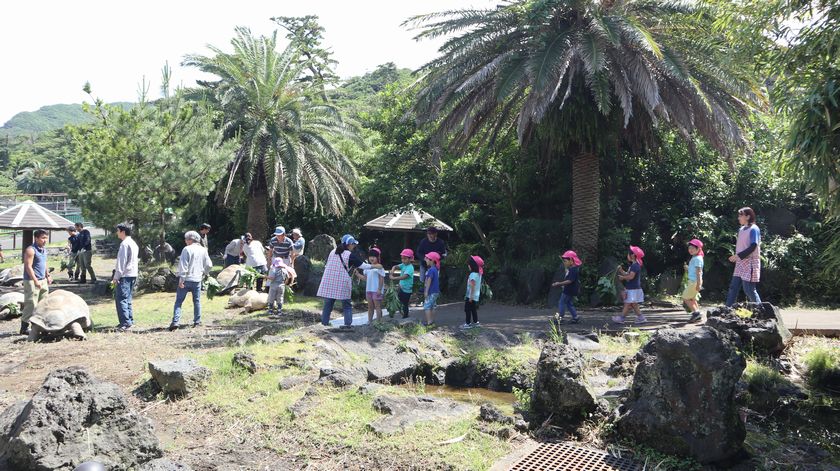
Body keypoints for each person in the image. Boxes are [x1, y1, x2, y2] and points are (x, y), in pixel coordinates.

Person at [317, 234, 380, 329]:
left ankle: (324, 324)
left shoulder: (333, 251)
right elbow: (362, 265)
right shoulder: (349, 255)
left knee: (328, 304)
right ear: (349, 244)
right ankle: (347, 325)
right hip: (341, 281)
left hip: (329, 280)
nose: (354, 246)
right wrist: (375, 266)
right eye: (353, 244)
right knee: (346, 305)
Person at [169, 231, 213, 331]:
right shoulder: (203, 250)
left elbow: (183, 266)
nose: (185, 241)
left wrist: (181, 279)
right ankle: (197, 321)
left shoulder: (186, 249)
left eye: (186, 239)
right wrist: (204, 273)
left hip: (186, 279)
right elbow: (209, 265)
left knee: (179, 302)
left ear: (190, 240)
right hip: (197, 279)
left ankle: (175, 322)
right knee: (197, 301)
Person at [725, 207, 762, 306]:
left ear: (748, 216)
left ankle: (761, 310)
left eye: (741, 215)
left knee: (749, 289)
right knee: (733, 287)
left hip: (750, 262)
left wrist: (738, 256)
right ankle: (727, 309)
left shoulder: (754, 229)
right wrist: (737, 257)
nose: (738, 218)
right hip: (740, 262)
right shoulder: (741, 229)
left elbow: (753, 246)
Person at [21, 229, 52, 335]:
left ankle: (40, 326)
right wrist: (35, 281)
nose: (45, 240)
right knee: (31, 304)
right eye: (43, 238)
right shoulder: (31, 250)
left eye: (46, 238)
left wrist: (47, 275)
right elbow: (28, 267)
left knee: (43, 304)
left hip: (43, 280)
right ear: (36, 238)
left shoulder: (43, 249)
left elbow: (44, 263)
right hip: (31, 281)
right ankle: (24, 327)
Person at [112, 223, 139, 332]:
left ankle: (125, 323)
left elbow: (121, 263)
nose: (117, 233)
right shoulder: (133, 243)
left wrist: (116, 276)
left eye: (118, 231)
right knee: (127, 298)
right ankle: (129, 320)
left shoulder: (124, 244)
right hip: (133, 274)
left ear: (123, 231)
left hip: (124, 275)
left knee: (121, 299)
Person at [612, 246, 647, 325]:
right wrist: (621, 270)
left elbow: (630, 277)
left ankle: (622, 318)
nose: (627, 255)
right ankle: (641, 318)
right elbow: (628, 274)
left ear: (632, 256)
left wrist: (623, 278)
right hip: (633, 288)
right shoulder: (633, 266)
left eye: (628, 254)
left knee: (627, 304)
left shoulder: (635, 266)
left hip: (633, 289)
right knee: (633, 304)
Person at [357, 247, 386, 324]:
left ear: (377, 257)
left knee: (377, 306)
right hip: (368, 290)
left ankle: (379, 322)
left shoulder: (379, 267)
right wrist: (358, 275)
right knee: (370, 306)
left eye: (374, 256)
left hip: (376, 290)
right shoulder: (367, 267)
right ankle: (369, 321)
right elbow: (365, 278)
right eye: (370, 256)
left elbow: (381, 279)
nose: (371, 258)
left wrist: (379, 289)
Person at [552, 250, 581, 324]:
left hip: (569, 290)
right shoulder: (573, 269)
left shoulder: (573, 270)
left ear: (571, 260)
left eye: (565, 261)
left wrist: (559, 283)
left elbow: (569, 281)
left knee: (561, 302)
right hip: (572, 289)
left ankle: (560, 318)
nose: (564, 263)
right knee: (569, 303)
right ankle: (575, 317)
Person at [389, 249, 415, 319]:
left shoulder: (410, 267)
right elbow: (395, 266)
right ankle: (402, 314)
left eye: (405, 259)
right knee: (399, 301)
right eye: (402, 259)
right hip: (401, 287)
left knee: (405, 303)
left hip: (407, 289)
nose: (403, 260)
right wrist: (392, 270)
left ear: (410, 259)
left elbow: (405, 276)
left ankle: (405, 316)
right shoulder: (403, 265)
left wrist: (394, 278)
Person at [684, 239, 705, 322]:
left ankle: (696, 313)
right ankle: (697, 313)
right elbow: (694, 270)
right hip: (693, 281)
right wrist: (688, 269)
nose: (690, 250)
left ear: (698, 249)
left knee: (686, 298)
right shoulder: (695, 258)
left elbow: (699, 272)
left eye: (693, 248)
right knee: (692, 298)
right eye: (689, 248)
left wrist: (699, 284)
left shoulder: (697, 259)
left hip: (694, 282)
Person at [462, 255, 485, 329]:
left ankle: (467, 323)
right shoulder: (479, 274)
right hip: (475, 296)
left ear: (473, 266)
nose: (468, 266)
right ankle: (476, 322)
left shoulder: (472, 275)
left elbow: (472, 286)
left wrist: (470, 297)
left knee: (467, 309)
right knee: (473, 309)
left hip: (470, 296)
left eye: (469, 264)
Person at [423, 251, 442, 327]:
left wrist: (426, 291)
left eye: (427, 259)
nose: (425, 260)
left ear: (432, 260)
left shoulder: (431, 270)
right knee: (433, 306)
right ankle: (432, 321)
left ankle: (429, 322)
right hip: (435, 292)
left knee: (427, 306)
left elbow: (429, 281)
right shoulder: (435, 269)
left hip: (431, 292)